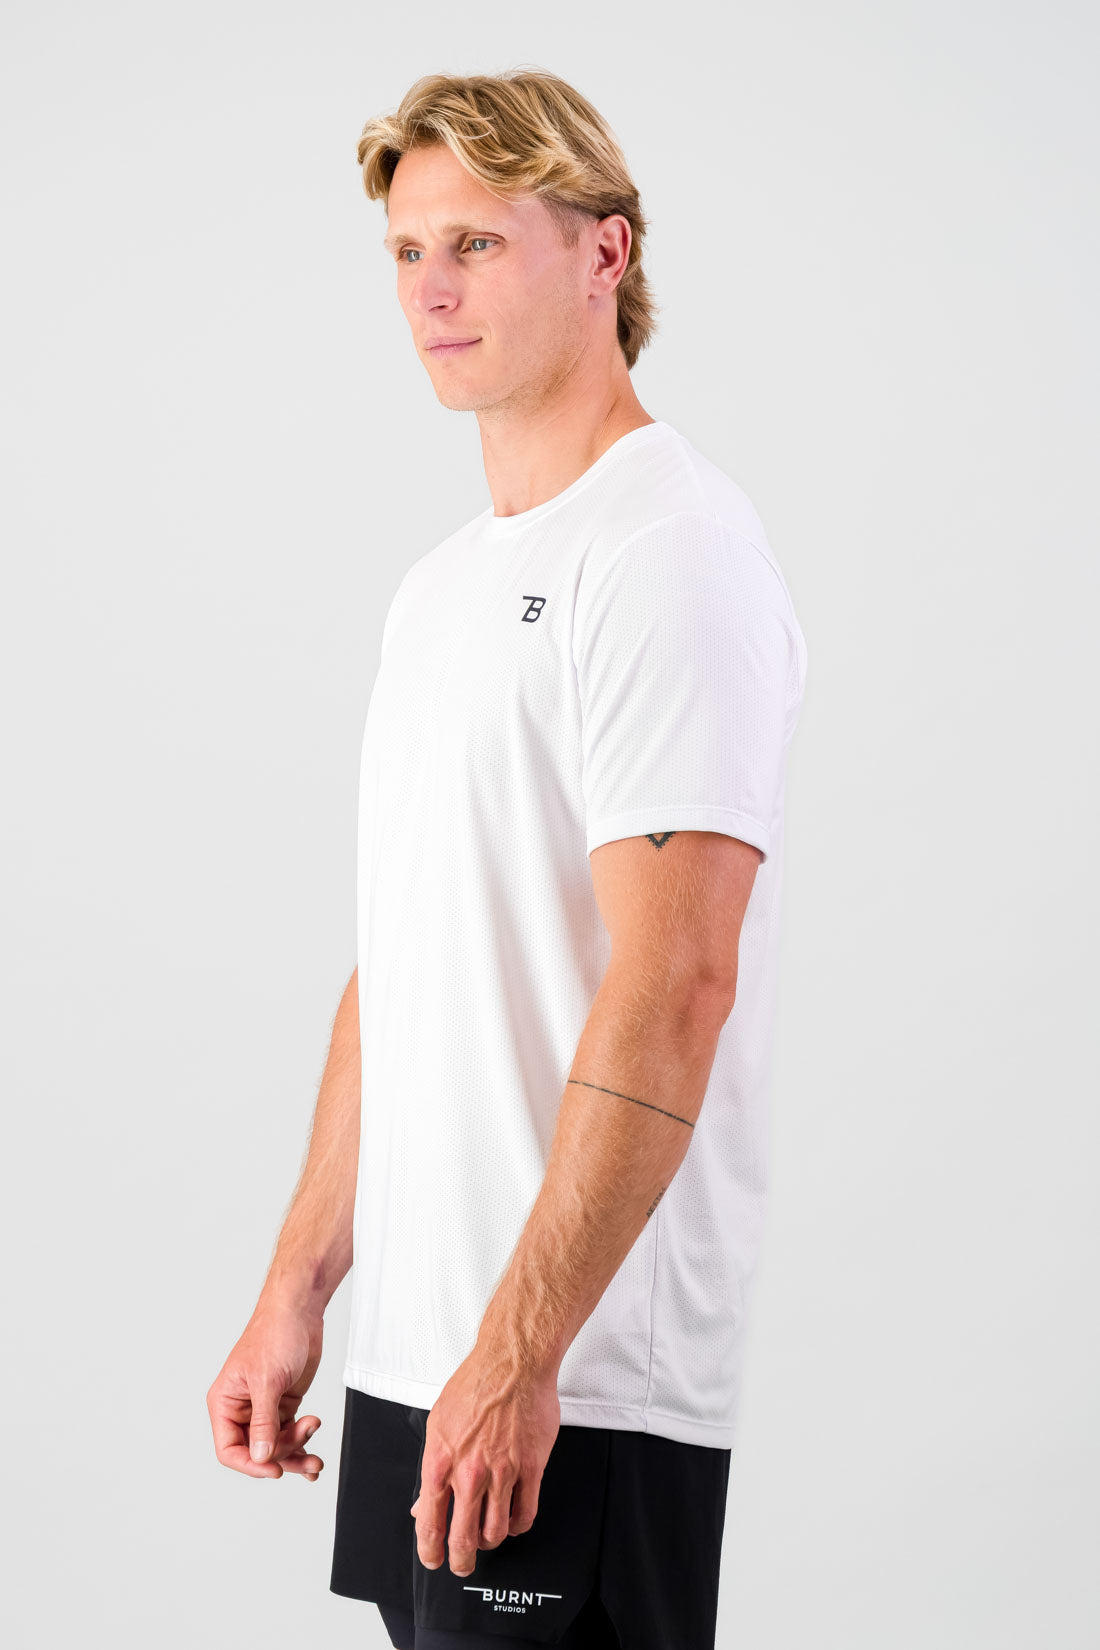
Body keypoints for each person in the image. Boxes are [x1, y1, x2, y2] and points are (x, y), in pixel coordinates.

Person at [206, 66, 809, 1650]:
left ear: (606, 252)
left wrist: (525, 1347)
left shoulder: (667, 550)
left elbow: (678, 982)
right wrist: (299, 1284)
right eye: (408, 251)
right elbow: (404, 960)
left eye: (474, 242)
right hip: (422, 1361)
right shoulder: (440, 592)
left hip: (573, 1378)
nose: (430, 289)